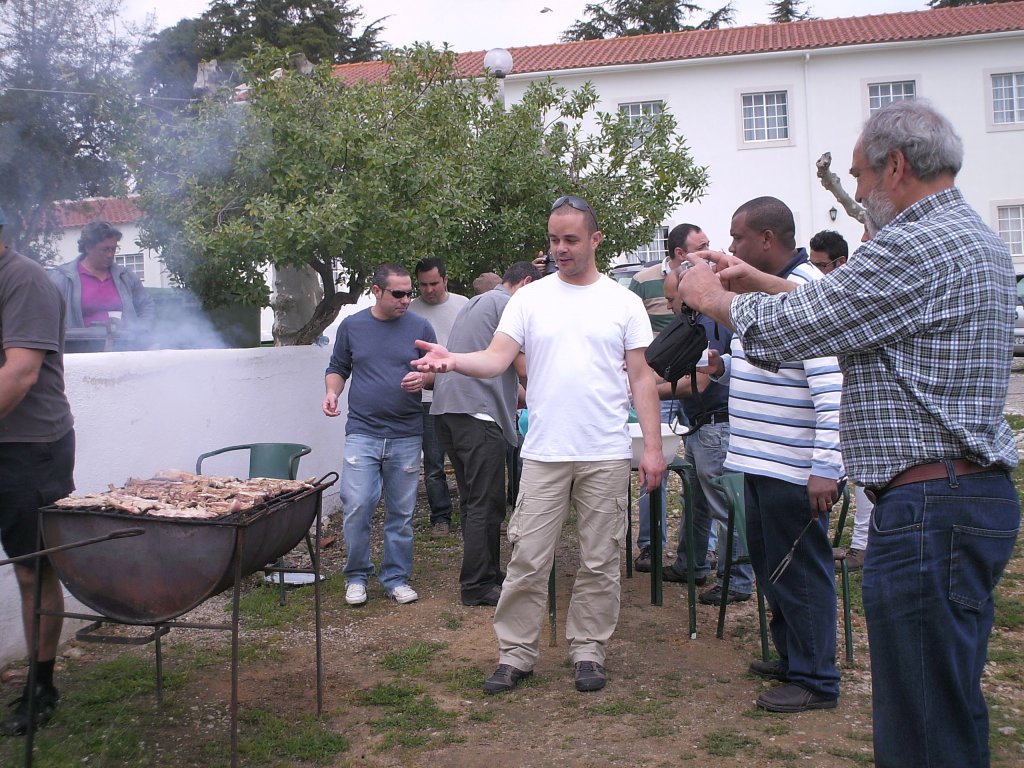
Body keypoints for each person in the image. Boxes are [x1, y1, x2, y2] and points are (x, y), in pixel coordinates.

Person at [678, 100, 1019, 767]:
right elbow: (845, 309)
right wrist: (762, 281)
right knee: (944, 702)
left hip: (929, 510)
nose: (857, 191)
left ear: (896, 167)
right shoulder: (966, 236)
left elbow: (800, 330)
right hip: (961, 498)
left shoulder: (912, 244)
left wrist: (710, 297)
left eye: (860, 174)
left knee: (922, 718)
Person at [413, 195, 666, 695]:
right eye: (553, 240)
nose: (560, 249)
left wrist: (653, 448)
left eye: (570, 239)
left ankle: (589, 650)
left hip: (605, 451)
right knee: (528, 557)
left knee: (600, 559)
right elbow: (495, 359)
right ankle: (515, 654)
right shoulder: (528, 300)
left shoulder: (623, 302)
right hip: (545, 453)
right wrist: (454, 360)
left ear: (595, 239)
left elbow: (641, 378)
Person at [691, 197, 844, 711]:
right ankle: (793, 658)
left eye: (737, 238)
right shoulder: (765, 295)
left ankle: (816, 679)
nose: (731, 247)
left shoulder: (806, 295)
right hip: (758, 462)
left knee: (801, 572)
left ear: (766, 239)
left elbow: (832, 391)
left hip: (794, 469)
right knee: (773, 567)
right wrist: (725, 368)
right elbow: (770, 369)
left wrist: (826, 468)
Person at [0, 205, 76, 736]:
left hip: (30, 448)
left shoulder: (24, 280)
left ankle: (41, 685)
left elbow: (20, 373)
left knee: (33, 568)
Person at [322, 264, 436, 607]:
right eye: (398, 294)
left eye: (409, 293)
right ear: (376, 290)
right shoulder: (352, 326)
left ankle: (395, 578)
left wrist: (424, 378)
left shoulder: (420, 326)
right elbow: (338, 367)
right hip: (363, 431)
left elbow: (435, 369)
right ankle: (357, 576)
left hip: (406, 432)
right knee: (357, 505)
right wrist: (332, 392)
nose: (406, 300)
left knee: (401, 513)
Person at [432, 261, 540, 606]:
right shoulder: (509, 306)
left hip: (450, 411)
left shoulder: (477, 304)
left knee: (473, 500)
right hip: (477, 414)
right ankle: (477, 584)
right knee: (487, 502)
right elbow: (523, 368)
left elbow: (504, 375)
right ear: (525, 283)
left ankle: (487, 573)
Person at [657, 227, 753, 605]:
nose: (670, 307)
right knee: (696, 503)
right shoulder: (697, 321)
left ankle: (736, 580)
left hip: (717, 425)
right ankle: (691, 564)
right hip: (701, 426)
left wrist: (643, 391)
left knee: (724, 506)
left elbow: (697, 380)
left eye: (672, 299)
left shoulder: (710, 323)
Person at [626, 224, 707, 572]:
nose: (709, 249)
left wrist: (641, 387)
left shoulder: (709, 295)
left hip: (687, 389)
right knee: (653, 464)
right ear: (679, 253)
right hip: (661, 379)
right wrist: (641, 385)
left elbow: (702, 377)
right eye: (701, 246)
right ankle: (650, 545)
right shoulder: (642, 281)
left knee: (700, 476)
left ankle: (704, 552)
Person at [810, 229, 871, 570]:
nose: (816, 271)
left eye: (821, 265)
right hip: (841, 398)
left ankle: (863, 546)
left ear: (840, 262)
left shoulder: (850, 292)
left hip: (857, 400)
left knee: (863, 474)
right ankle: (862, 543)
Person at [408, 258, 469, 537]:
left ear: (445, 280)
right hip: (425, 398)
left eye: (434, 283)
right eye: (423, 285)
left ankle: (471, 515)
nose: (429, 290)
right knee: (433, 463)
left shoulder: (463, 304)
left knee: (466, 460)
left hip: (459, 394)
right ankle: (440, 518)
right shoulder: (410, 309)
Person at [47, 220, 154, 334]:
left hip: (123, 343)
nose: (110, 255)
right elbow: (47, 314)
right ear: (88, 247)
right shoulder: (63, 278)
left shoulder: (126, 277)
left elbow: (146, 305)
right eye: (105, 249)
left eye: (113, 249)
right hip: (79, 343)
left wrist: (141, 330)